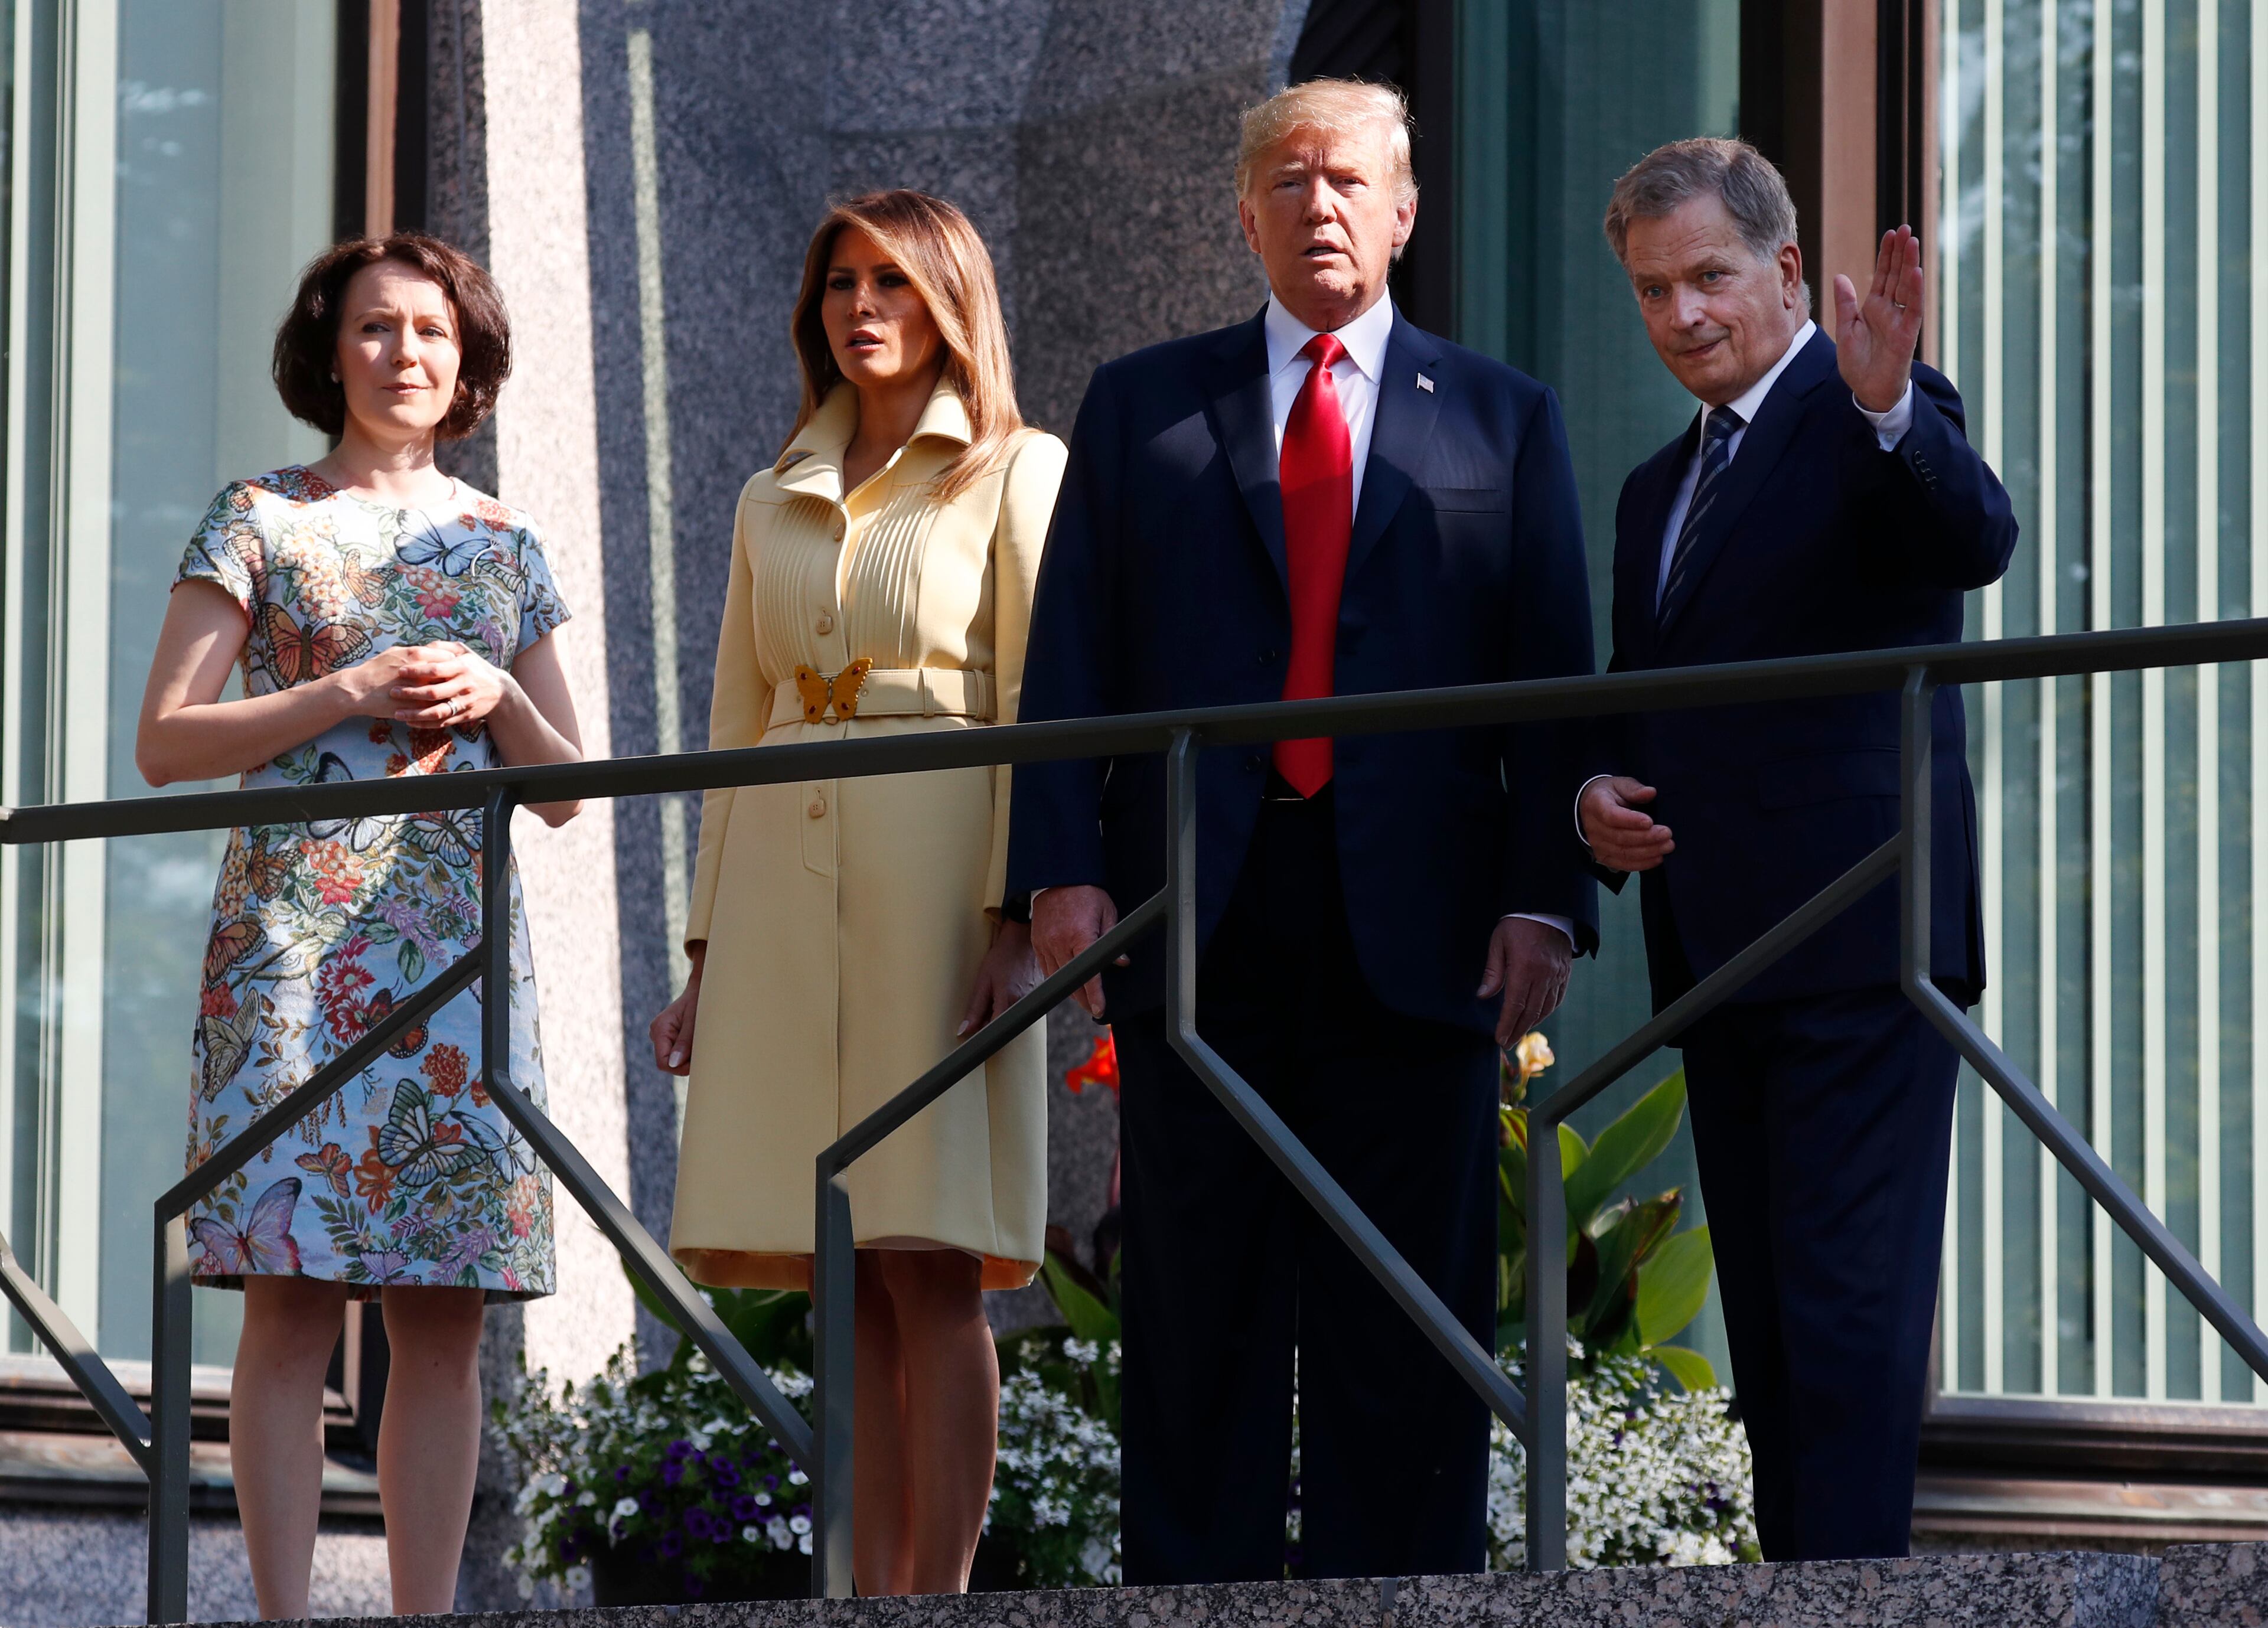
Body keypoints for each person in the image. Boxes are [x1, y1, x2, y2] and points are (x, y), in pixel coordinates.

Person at [1007, 79, 1597, 1582]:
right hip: (1201, 913)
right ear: (1243, 213)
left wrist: (1547, 896)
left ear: (1405, 210)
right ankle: (1194, 1598)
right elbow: (1073, 652)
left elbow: (1553, 683)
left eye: (1348, 179)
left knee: (1408, 1303)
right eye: (1287, 180)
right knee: (1197, 1292)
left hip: (1427, 921)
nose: (1318, 203)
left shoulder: (1503, 416)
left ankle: (1401, 1599)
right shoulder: (1147, 402)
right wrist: (1063, 869)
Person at [1578, 139, 2016, 1560]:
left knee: (1845, 1328)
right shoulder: (1657, 486)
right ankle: (1797, 1591)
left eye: (1709, 276)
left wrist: (1891, 405)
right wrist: (1590, 795)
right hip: (1717, 953)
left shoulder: (1869, 406)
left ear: (1781, 269)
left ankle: (1847, 1599)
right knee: (1768, 1337)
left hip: (1859, 947)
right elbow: (1633, 684)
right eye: (1652, 291)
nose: (1682, 315)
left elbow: (1974, 532)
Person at [136, 233, 586, 1617]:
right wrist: (347, 688)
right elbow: (166, 740)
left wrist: (492, 695)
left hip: (455, 956)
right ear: (329, 350)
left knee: (444, 1314)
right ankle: (279, 1611)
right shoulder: (258, 514)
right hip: (291, 950)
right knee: (291, 1295)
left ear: (470, 362)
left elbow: (569, 787)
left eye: (434, 334)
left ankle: (424, 1612)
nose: (407, 355)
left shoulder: (503, 541)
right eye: (380, 329)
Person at [649, 190, 1064, 1597]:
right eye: (840, 282)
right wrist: (705, 949)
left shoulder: (1017, 468)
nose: (862, 306)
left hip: (941, 886)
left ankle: (933, 1590)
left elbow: (1040, 708)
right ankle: (861, 1587)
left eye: (893, 280)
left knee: (931, 1253)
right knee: (843, 1264)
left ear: (950, 298)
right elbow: (731, 717)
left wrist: (1018, 917)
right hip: (778, 889)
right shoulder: (772, 491)